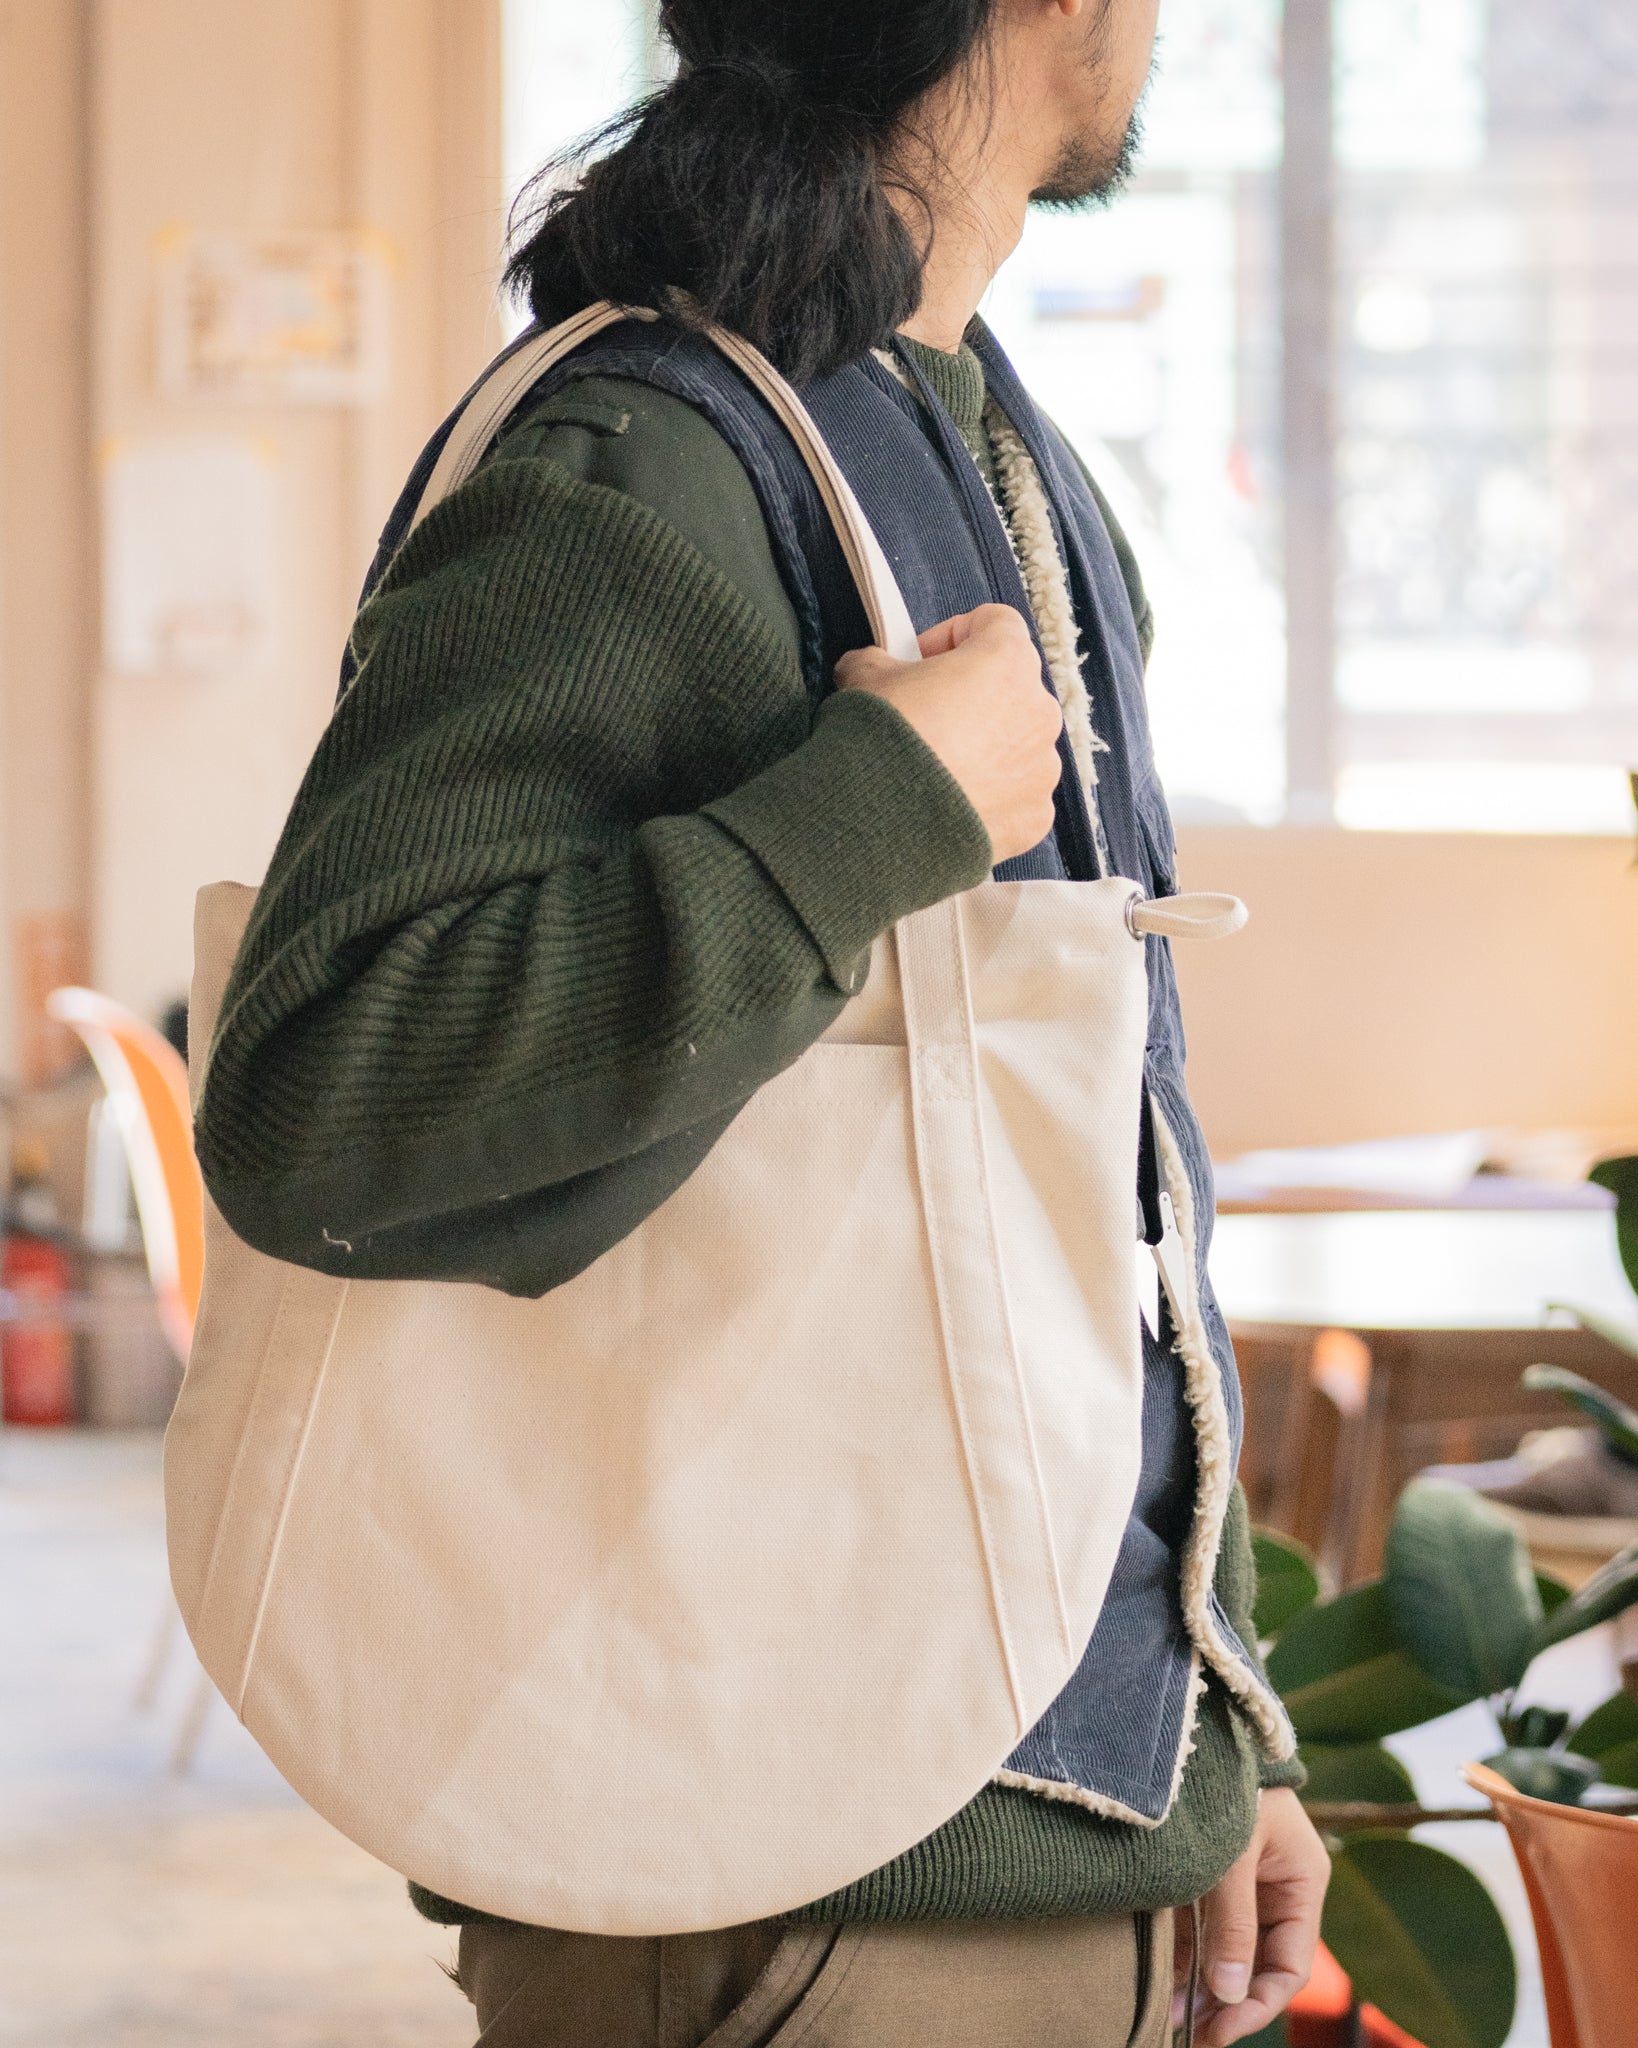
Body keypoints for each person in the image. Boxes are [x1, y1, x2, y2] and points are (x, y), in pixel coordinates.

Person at [194, 2, 1331, 2042]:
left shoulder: (1000, 449)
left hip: (1044, 1835)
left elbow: (1110, 1191)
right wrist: (866, 813)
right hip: (800, 1894)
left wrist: (1205, 1737)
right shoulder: (647, 463)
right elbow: (322, 1098)